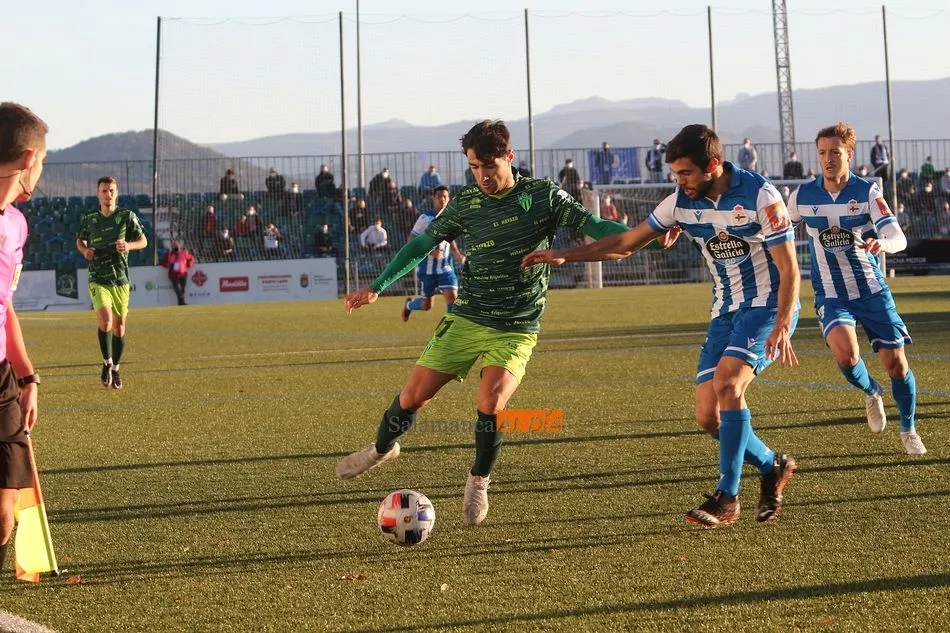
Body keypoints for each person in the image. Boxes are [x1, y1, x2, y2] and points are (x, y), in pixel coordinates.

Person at [336, 120, 633, 525]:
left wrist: (642, 233)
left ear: (509, 157)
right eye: (474, 167)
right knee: (412, 399)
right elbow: (423, 242)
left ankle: (479, 480)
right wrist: (377, 286)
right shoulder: (466, 202)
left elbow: (597, 227)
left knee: (490, 403)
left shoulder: (542, 196)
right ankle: (383, 448)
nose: (483, 176)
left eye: (488, 166)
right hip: (469, 315)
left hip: (517, 325)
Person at [522, 124, 801, 528]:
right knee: (709, 418)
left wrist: (780, 322)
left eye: (685, 173)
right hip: (725, 311)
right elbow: (626, 243)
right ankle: (772, 465)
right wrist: (567, 255)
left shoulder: (762, 197)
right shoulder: (680, 203)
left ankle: (727, 497)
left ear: (713, 166)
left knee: (728, 385)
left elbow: (789, 267)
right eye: (675, 174)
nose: (678, 182)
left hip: (767, 306)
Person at [786, 123, 925, 456]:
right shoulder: (802, 196)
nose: (828, 159)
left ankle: (908, 429)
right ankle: (871, 391)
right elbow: (777, 232)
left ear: (848, 154)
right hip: (831, 294)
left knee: (898, 365)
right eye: (822, 153)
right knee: (846, 356)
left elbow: (898, 237)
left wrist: (883, 243)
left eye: (835, 152)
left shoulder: (867, 192)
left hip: (872, 291)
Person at [0, 102, 46, 575]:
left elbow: (4, 305)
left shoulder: (16, 224)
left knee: (4, 515)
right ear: (29, 158)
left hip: (1, 380)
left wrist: (28, 375)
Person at [76, 176, 148, 390]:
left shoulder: (127, 216)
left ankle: (115, 367)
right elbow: (80, 240)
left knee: (120, 327)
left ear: (117, 193)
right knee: (106, 322)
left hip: (120, 279)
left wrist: (128, 245)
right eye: (104, 191)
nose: (108, 194)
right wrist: (84, 250)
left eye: (112, 190)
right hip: (98, 276)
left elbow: (143, 241)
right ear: (98, 194)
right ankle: (106, 362)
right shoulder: (90, 219)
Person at [401, 186, 466, 321]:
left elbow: (450, 239)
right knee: (426, 305)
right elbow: (411, 240)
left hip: (445, 267)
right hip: (427, 268)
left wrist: (458, 254)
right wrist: (430, 252)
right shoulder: (425, 219)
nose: (442, 199)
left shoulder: (451, 218)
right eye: (439, 197)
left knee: (452, 299)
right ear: (433, 199)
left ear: (449, 199)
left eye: (445, 197)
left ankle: (449, 333)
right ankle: (408, 305)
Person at [161, 240, 194, 305]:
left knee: (183, 289)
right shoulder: (170, 254)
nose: (175, 246)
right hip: (174, 274)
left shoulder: (184, 253)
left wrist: (188, 265)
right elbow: (164, 262)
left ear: (179, 245)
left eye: (176, 244)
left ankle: (180, 302)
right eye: (174, 245)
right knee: (177, 289)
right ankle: (182, 302)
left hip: (183, 273)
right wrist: (168, 264)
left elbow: (191, 258)